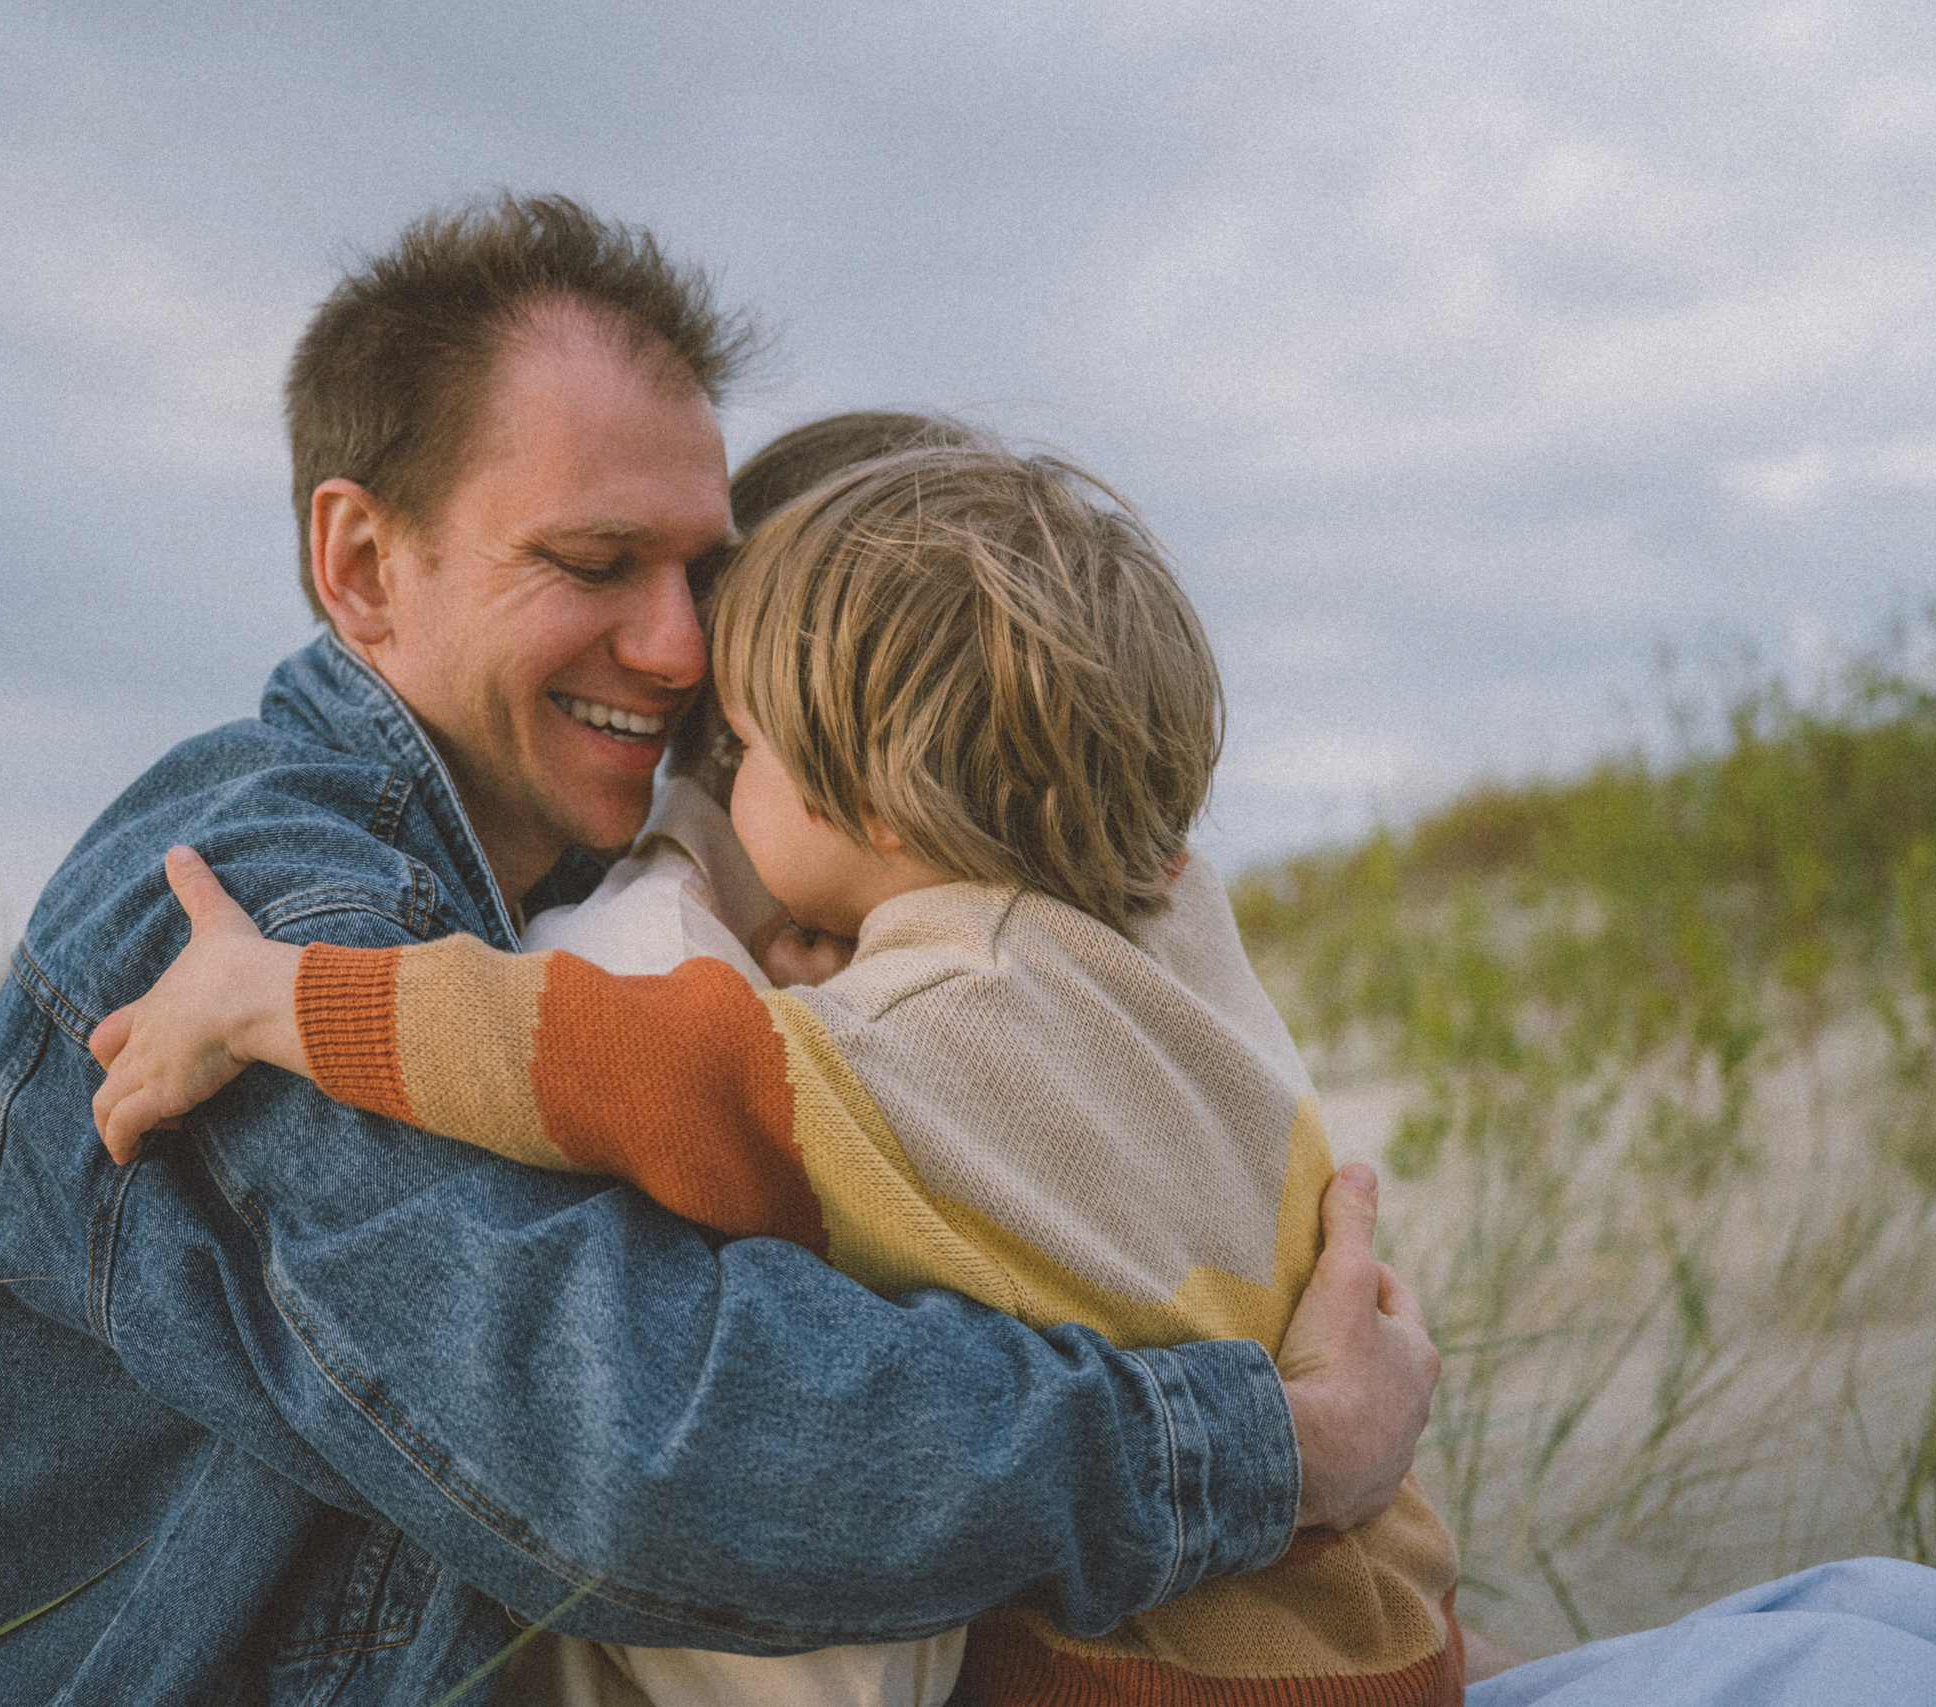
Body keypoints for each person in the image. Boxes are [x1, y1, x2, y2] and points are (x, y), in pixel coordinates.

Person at [0, 194, 1440, 1705]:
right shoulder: (244, 914)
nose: (680, 650)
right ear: (363, 566)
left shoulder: (612, 884)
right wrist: (1278, 1453)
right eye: (596, 565)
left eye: (702, 574)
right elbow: (664, 1442)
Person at [88, 440, 1466, 1706]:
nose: (713, 786)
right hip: (1399, 1628)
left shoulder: (916, 1033)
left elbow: (588, 1060)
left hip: (1181, 1681)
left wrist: (276, 998)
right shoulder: (1175, 931)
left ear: (868, 801)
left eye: (740, 752)